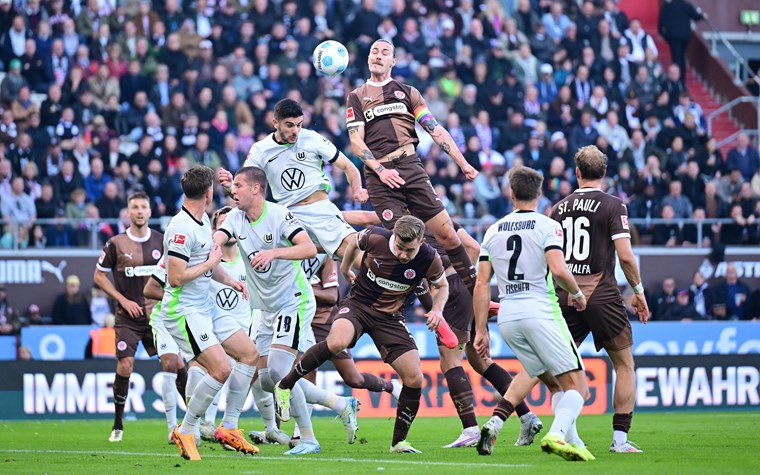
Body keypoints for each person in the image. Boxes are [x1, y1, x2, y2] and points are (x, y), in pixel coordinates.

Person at [343, 209, 544, 448]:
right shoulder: (435, 220)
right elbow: (471, 247)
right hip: (464, 288)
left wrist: (457, 284)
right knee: (480, 362)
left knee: (451, 362)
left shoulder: (411, 223)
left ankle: (469, 427)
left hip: (451, 290)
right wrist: (471, 286)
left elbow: (471, 249)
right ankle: (527, 416)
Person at [213, 166, 359, 455]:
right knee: (267, 379)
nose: (233, 192)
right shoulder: (234, 218)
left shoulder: (279, 215)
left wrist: (274, 252)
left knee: (281, 371)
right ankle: (341, 404)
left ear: (256, 188)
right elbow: (217, 240)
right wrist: (206, 250)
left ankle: (307, 438)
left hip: (293, 300)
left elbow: (307, 248)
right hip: (264, 307)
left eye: (239, 186)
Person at [274, 215, 449, 454]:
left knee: (414, 378)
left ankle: (398, 443)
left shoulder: (429, 257)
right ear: (394, 236)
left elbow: (442, 286)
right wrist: (345, 268)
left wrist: (437, 310)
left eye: (409, 250)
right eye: (399, 247)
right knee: (336, 342)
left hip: (390, 318)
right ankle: (285, 385)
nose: (402, 254)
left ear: (420, 241)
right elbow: (353, 243)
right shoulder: (375, 237)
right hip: (358, 306)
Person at [473, 167, 593, 461]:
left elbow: (480, 283)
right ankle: (556, 434)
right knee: (579, 386)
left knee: (555, 383)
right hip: (540, 311)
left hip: (508, 318)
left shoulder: (493, 230)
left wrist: (480, 330)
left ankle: (574, 442)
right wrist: (578, 294)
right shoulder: (547, 226)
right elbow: (559, 269)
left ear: (510, 194)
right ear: (540, 194)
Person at [345, 39, 479, 294]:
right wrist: (381, 171)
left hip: (410, 166)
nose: (378, 56)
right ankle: (418, 304)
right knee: (403, 241)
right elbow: (355, 139)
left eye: (385, 53)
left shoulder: (408, 92)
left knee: (449, 234)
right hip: (379, 176)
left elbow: (434, 129)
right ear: (368, 58)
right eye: (374, 51)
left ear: (393, 61)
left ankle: (477, 294)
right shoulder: (357, 97)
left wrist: (462, 163)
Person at [550, 145, 650, 453]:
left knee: (558, 370)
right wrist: (638, 292)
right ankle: (619, 440)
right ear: (604, 173)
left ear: (577, 172)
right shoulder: (614, 205)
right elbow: (626, 257)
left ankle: (568, 434)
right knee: (624, 365)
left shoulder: (557, 208)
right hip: (601, 294)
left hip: (566, 294)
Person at [162, 165, 260, 461]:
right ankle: (187, 428)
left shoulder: (203, 220)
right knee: (220, 369)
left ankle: (228, 426)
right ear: (208, 193)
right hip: (184, 310)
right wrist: (210, 264)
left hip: (206, 305)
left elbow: (208, 262)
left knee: (249, 354)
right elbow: (176, 277)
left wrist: (228, 279)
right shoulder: (180, 228)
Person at [217, 98, 367, 261]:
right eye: (289, 125)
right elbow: (243, 192)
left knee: (358, 256)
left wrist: (357, 188)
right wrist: (230, 186)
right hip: (288, 216)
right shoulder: (260, 150)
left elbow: (349, 167)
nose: (296, 131)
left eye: (299, 125)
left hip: (319, 209)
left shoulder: (312, 139)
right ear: (276, 123)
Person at [93, 191, 164, 443]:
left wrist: (163, 300)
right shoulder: (115, 243)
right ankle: (118, 424)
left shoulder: (161, 241)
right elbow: (99, 276)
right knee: (125, 365)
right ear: (128, 212)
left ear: (150, 212)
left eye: (144, 207)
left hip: (157, 316)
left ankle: (189, 422)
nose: (140, 211)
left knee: (175, 364)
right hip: (127, 317)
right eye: (135, 207)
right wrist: (122, 300)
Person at [142, 255, 189, 444]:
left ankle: (196, 424)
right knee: (170, 364)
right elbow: (149, 289)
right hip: (166, 317)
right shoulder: (171, 255)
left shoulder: (210, 253)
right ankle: (172, 428)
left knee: (193, 367)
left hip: (193, 316)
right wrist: (175, 298)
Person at [658, 0, 705, 80]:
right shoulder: (686, 5)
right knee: (682, 57)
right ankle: (681, 78)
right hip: (684, 36)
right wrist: (703, 16)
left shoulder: (668, 6)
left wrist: (664, 35)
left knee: (676, 58)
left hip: (673, 36)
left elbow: (661, 22)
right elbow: (695, 16)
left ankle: (677, 78)